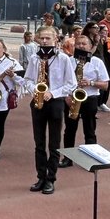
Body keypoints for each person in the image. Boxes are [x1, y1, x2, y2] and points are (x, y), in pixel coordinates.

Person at [17, 26, 77, 195]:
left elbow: (71, 84)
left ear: (55, 39)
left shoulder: (64, 59)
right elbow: (27, 79)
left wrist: (53, 93)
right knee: (39, 143)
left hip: (55, 102)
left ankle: (51, 178)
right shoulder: (34, 58)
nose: (44, 41)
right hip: (38, 101)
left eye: (47, 38)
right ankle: (41, 176)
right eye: (42, 38)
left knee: (54, 143)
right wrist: (35, 89)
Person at [62, 34, 109, 156]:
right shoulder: (68, 60)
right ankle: (68, 157)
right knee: (69, 130)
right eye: (78, 44)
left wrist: (91, 82)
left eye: (84, 44)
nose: (81, 46)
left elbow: (105, 85)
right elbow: (61, 82)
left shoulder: (97, 62)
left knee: (89, 130)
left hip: (90, 98)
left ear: (90, 46)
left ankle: (91, 157)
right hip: (71, 99)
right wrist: (66, 96)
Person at [0, 39, 20, 162]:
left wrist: (13, 75)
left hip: (3, 99)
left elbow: (22, 80)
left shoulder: (12, 62)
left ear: (4, 49)